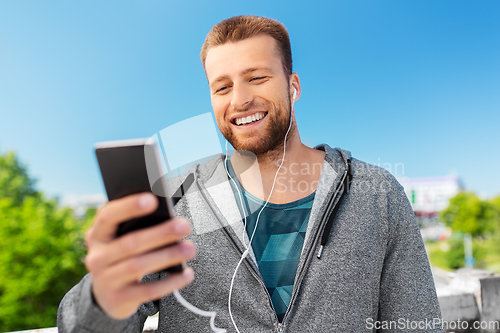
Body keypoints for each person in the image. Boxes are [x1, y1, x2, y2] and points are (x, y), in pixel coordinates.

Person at [58, 15, 444, 332]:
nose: (239, 99)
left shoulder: (377, 194)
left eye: (257, 78)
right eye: (221, 87)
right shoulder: (174, 200)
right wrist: (100, 296)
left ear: (292, 86)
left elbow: (418, 324)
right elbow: (82, 328)